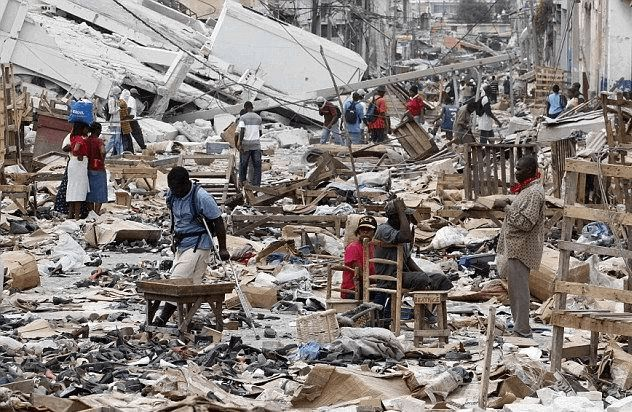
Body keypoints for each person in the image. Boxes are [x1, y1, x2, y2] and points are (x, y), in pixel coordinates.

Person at [152, 166, 230, 327]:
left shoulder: (201, 197)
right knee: (192, 285)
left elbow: (218, 221)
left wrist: (222, 248)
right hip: (181, 243)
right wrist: (173, 236)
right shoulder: (172, 195)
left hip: (199, 243)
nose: (175, 191)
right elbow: (174, 217)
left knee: (177, 281)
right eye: (172, 188)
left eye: (177, 188)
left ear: (186, 183)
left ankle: (161, 319)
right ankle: (186, 322)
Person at [373, 198, 452, 320]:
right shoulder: (384, 230)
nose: (408, 220)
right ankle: (421, 311)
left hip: (403, 274)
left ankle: (428, 311)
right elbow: (405, 236)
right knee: (421, 279)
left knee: (441, 280)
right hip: (390, 276)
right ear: (396, 217)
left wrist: (423, 274)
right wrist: (400, 211)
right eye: (405, 217)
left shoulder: (401, 232)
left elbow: (408, 260)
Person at [497, 156, 545, 338]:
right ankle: (519, 327)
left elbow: (526, 223)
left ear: (531, 171)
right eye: (515, 169)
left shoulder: (533, 193)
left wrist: (507, 208)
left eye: (520, 170)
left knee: (520, 291)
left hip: (522, 248)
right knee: (515, 290)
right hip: (516, 247)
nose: (516, 173)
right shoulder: (527, 189)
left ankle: (523, 330)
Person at [341, 216, 377, 299]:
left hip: (367, 285)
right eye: (362, 229)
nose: (365, 232)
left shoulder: (372, 246)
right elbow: (359, 274)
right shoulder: (353, 247)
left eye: (368, 230)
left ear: (374, 232)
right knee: (382, 291)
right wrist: (378, 281)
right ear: (358, 231)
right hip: (353, 289)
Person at [66, 123, 90, 220]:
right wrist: (77, 152)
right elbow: (76, 149)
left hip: (73, 163)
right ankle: (76, 216)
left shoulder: (73, 136)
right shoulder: (80, 139)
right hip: (79, 165)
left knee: (72, 189)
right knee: (79, 190)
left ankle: (70, 215)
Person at [237, 101, 263, 187]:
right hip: (256, 145)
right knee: (257, 166)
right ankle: (256, 185)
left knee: (243, 165)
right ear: (252, 108)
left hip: (246, 144)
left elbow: (242, 131)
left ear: (245, 108)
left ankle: (243, 183)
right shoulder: (259, 118)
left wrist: (240, 143)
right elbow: (260, 132)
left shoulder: (243, 118)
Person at [85, 122, 107, 214]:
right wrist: (102, 159)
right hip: (98, 168)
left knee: (89, 191)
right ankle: (97, 212)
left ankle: (91, 212)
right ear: (97, 130)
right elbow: (103, 151)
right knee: (99, 191)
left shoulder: (86, 140)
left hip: (88, 168)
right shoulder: (99, 141)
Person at [104, 86, 123, 156]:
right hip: (115, 123)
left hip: (117, 122)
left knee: (118, 140)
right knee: (114, 140)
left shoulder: (115, 99)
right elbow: (111, 111)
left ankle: (119, 154)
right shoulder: (112, 100)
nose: (120, 95)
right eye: (119, 93)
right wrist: (118, 109)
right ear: (116, 93)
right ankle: (103, 152)